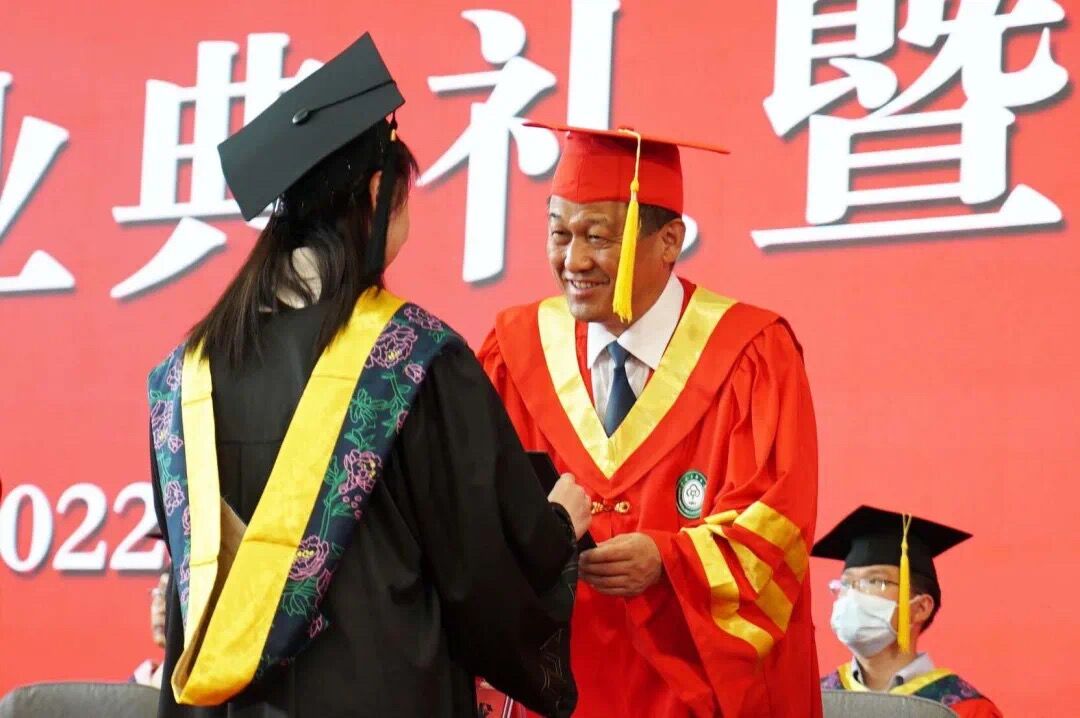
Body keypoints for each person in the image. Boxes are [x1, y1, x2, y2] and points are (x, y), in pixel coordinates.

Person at [147, 33, 590, 718]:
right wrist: (558, 524)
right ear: (380, 192)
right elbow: (479, 572)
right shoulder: (413, 358)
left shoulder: (185, 376)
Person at [478, 123, 821, 717]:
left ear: (669, 241)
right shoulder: (514, 351)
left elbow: (777, 527)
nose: (574, 260)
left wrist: (669, 559)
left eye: (598, 237)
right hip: (559, 683)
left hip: (692, 690)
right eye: (559, 233)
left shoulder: (752, 354)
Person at [814, 506, 1003, 717]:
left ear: (920, 608)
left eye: (875, 581)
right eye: (846, 584)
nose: (853, 596)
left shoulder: (966, 710)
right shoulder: (814, 700)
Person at [130, 568, 169, 689]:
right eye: (157, 594)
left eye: (168, 595)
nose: (159, 609)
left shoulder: (204, 682)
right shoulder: (141, 680)